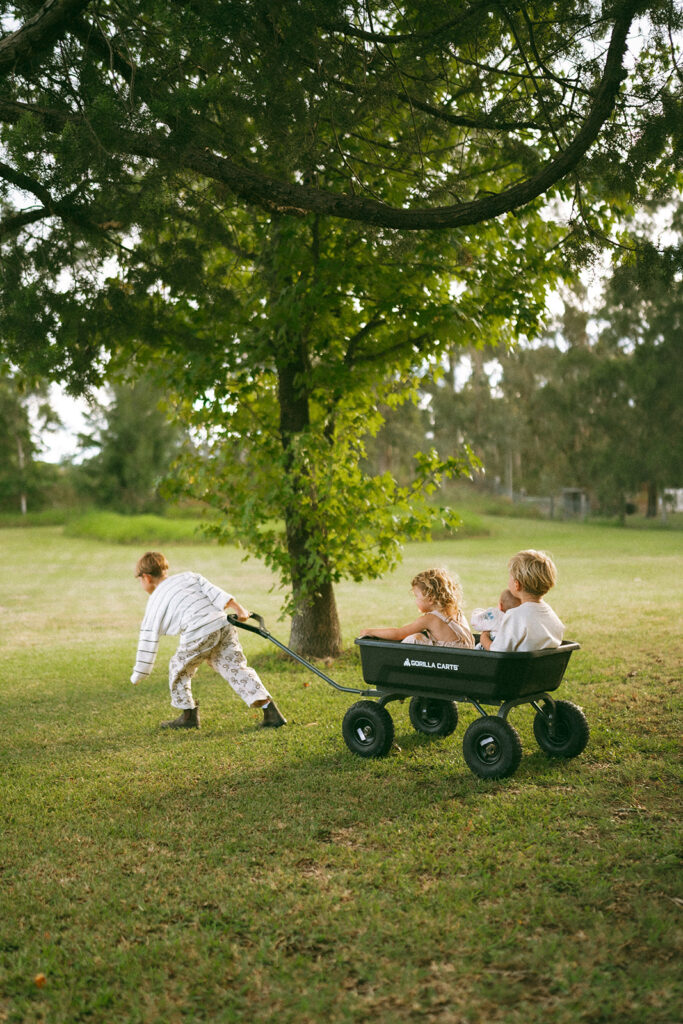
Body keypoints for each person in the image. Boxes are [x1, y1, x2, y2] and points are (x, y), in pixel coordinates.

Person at [130, 551, 286, 729]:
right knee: (235, 668)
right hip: (222, 624)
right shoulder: (188, 577)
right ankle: (271, 712)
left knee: (178, 668)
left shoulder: (154, 602)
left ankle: (188, 717)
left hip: (199, 631)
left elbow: (147, 642)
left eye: (139, 580)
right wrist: (239, 609)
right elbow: (216, 593)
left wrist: (139, 674)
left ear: (147, 577)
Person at [359, 568, 474, 648]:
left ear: (430, 598)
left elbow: (398, 633)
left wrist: (370, 631)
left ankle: (401, 666)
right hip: (463, 659)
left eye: (416, 596)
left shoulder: (430, 619)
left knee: (414, 638)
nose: (415, 600)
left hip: (448, 662)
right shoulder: (456, 612)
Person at [479, 550, 564, 652]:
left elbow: (497, 652)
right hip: (542, 667)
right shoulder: (552, 617)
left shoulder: (514, 616)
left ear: (517, 584)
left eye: (510, 577)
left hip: (515, 667)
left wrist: (484, 637)